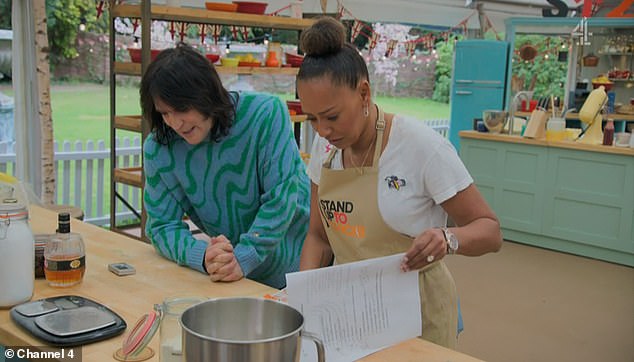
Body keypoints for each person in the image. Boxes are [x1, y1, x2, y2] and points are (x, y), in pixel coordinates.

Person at [296, 17, 503, 349]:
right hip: (352, 308)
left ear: (364, 93)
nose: (322, 130)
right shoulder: (326, 149)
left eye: (331, 116)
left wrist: (447, 238)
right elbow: (319, 238)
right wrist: (303, 301)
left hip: (419, 312)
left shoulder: (420, 146)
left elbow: (490, 231)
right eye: (313, 118)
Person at [140, 43, 310, 289]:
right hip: (236, 277)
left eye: (181, 109)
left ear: (206, 94)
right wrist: (203, 257)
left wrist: (245, 256)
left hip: (303, 266)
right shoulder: (159, 148)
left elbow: (281, 199)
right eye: (165, 113)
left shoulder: (266, 114)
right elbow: (161, 226)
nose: (175, 123)